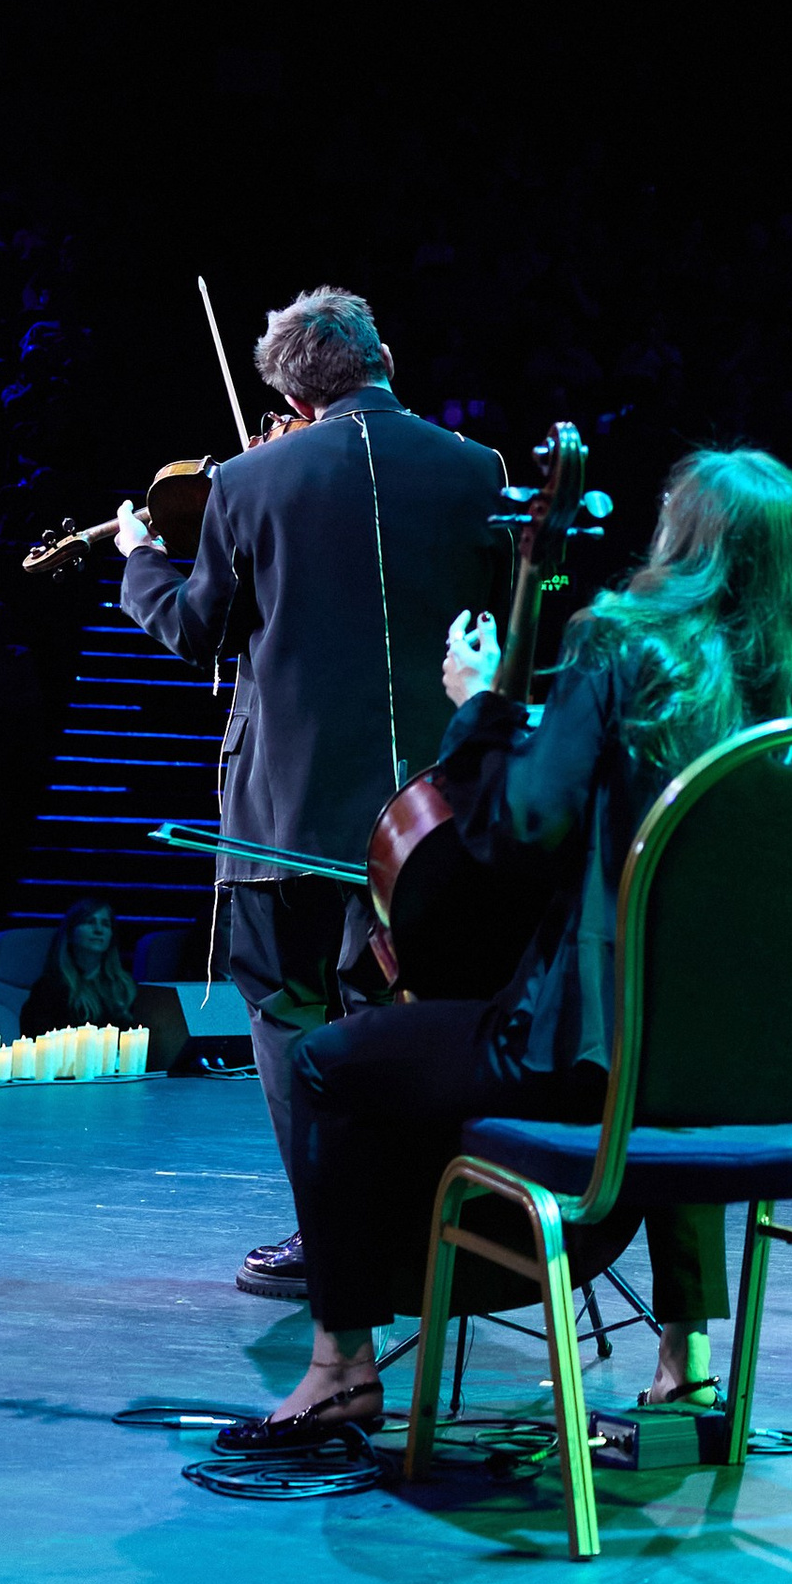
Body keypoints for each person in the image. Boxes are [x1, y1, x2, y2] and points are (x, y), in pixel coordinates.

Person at [224, 447, 792, 1443]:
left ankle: (340, 1369)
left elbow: (517, 830)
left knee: (323, 1062)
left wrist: (480, 709)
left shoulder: (620, 645)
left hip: (591, 1069)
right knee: (676, 1042)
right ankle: (686, 1367)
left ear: (685, 544)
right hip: (761, 1070)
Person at [114, 285, 508, 1304]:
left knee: (289, 1010)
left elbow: (197, 631)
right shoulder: (477, 469)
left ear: (291, 394)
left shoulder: (250, 478)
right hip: (432, 814)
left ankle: (333, 1235)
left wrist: (140, 561)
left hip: (289, 814)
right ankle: (424, 1225)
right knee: (399, 1014)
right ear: (383, 359)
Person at [22, 893, 137, 1034]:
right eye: (89, 922)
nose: (98, 930)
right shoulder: (50, 988)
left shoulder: (125, 986)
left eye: (105, 924)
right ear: (70, 933)